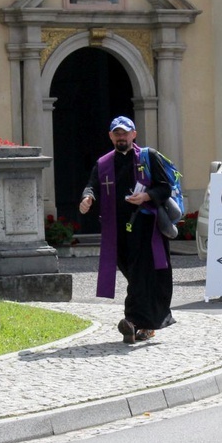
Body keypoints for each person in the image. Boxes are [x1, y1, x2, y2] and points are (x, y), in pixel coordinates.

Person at [79, 116, 176, 343]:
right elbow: (91, 186)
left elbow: (165, 188)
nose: (121, 137)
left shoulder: (148, 157)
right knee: (136, 276)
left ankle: (131, 321)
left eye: (125, 133)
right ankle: (146, 325)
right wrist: (87, 198)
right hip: (118, 232)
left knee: (143, 275)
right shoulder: (104, 163)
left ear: (134, 134)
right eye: (117, 133)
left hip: (147, 229)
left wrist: (146, 196)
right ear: (111, 136)